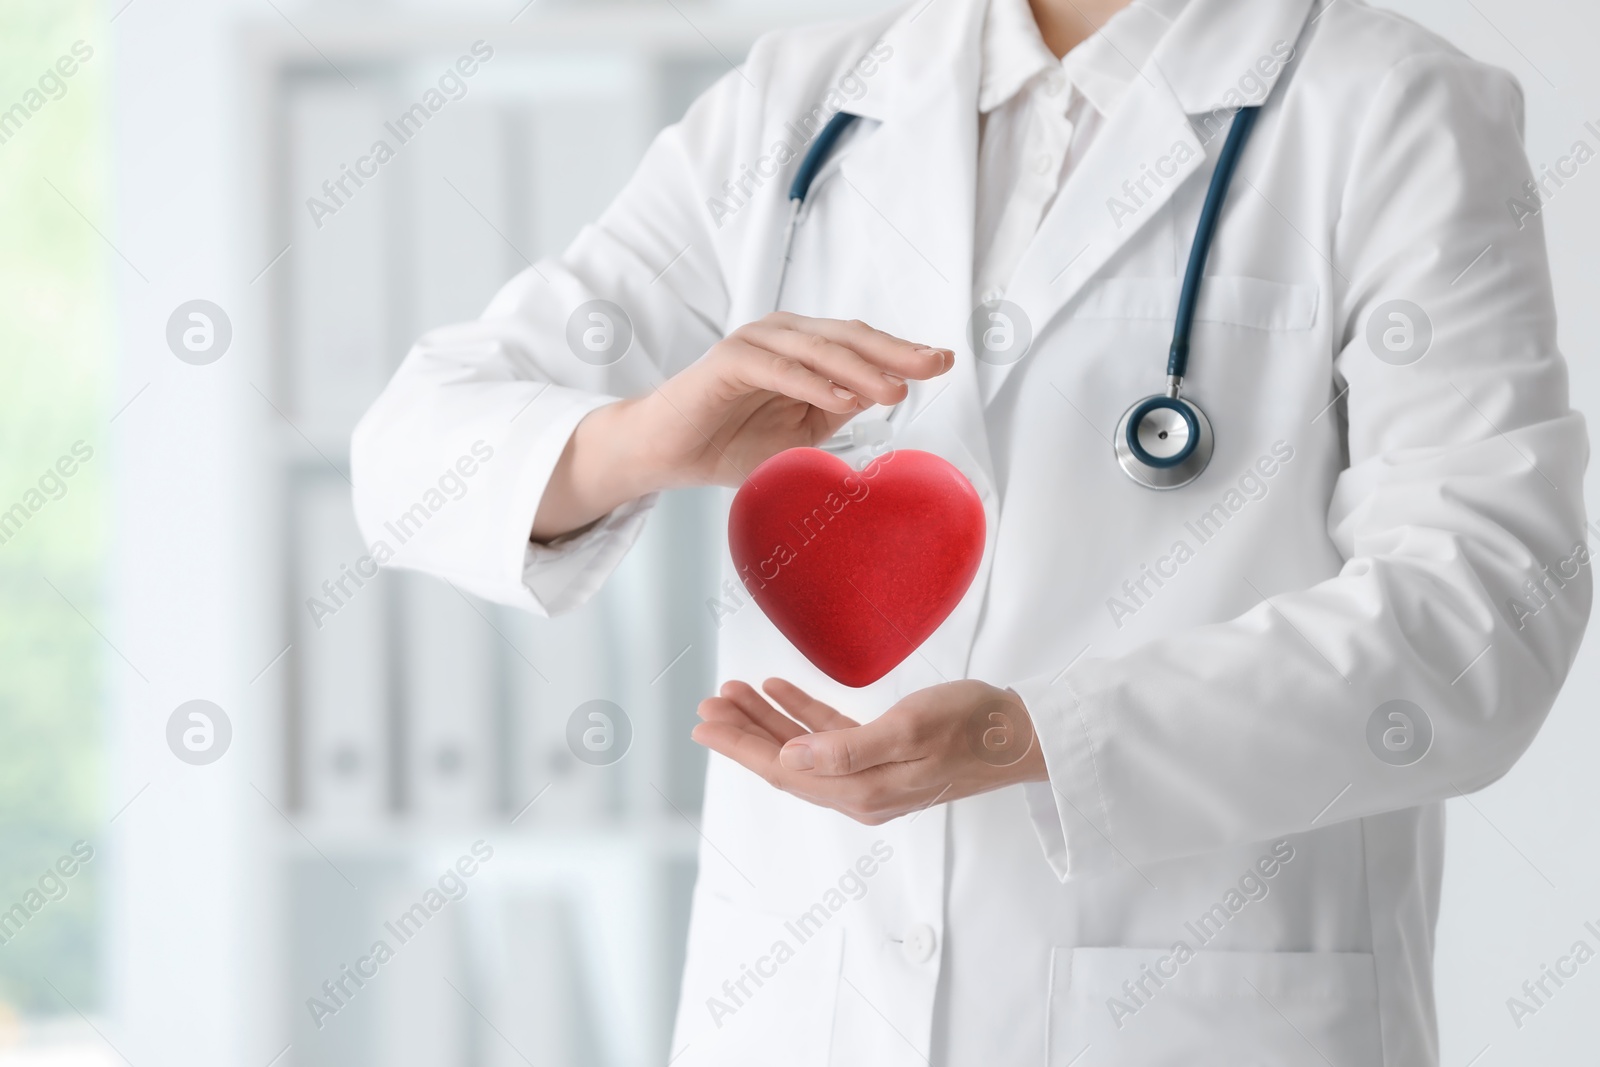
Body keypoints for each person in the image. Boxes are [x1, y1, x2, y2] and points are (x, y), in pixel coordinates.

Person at [351, 0, 1590, 1061]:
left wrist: (1032, 733)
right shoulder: (805, 104)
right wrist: (645, 435)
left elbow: (1486, 610)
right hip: (803, 1007)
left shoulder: (1387, 111)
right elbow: (410, 451)